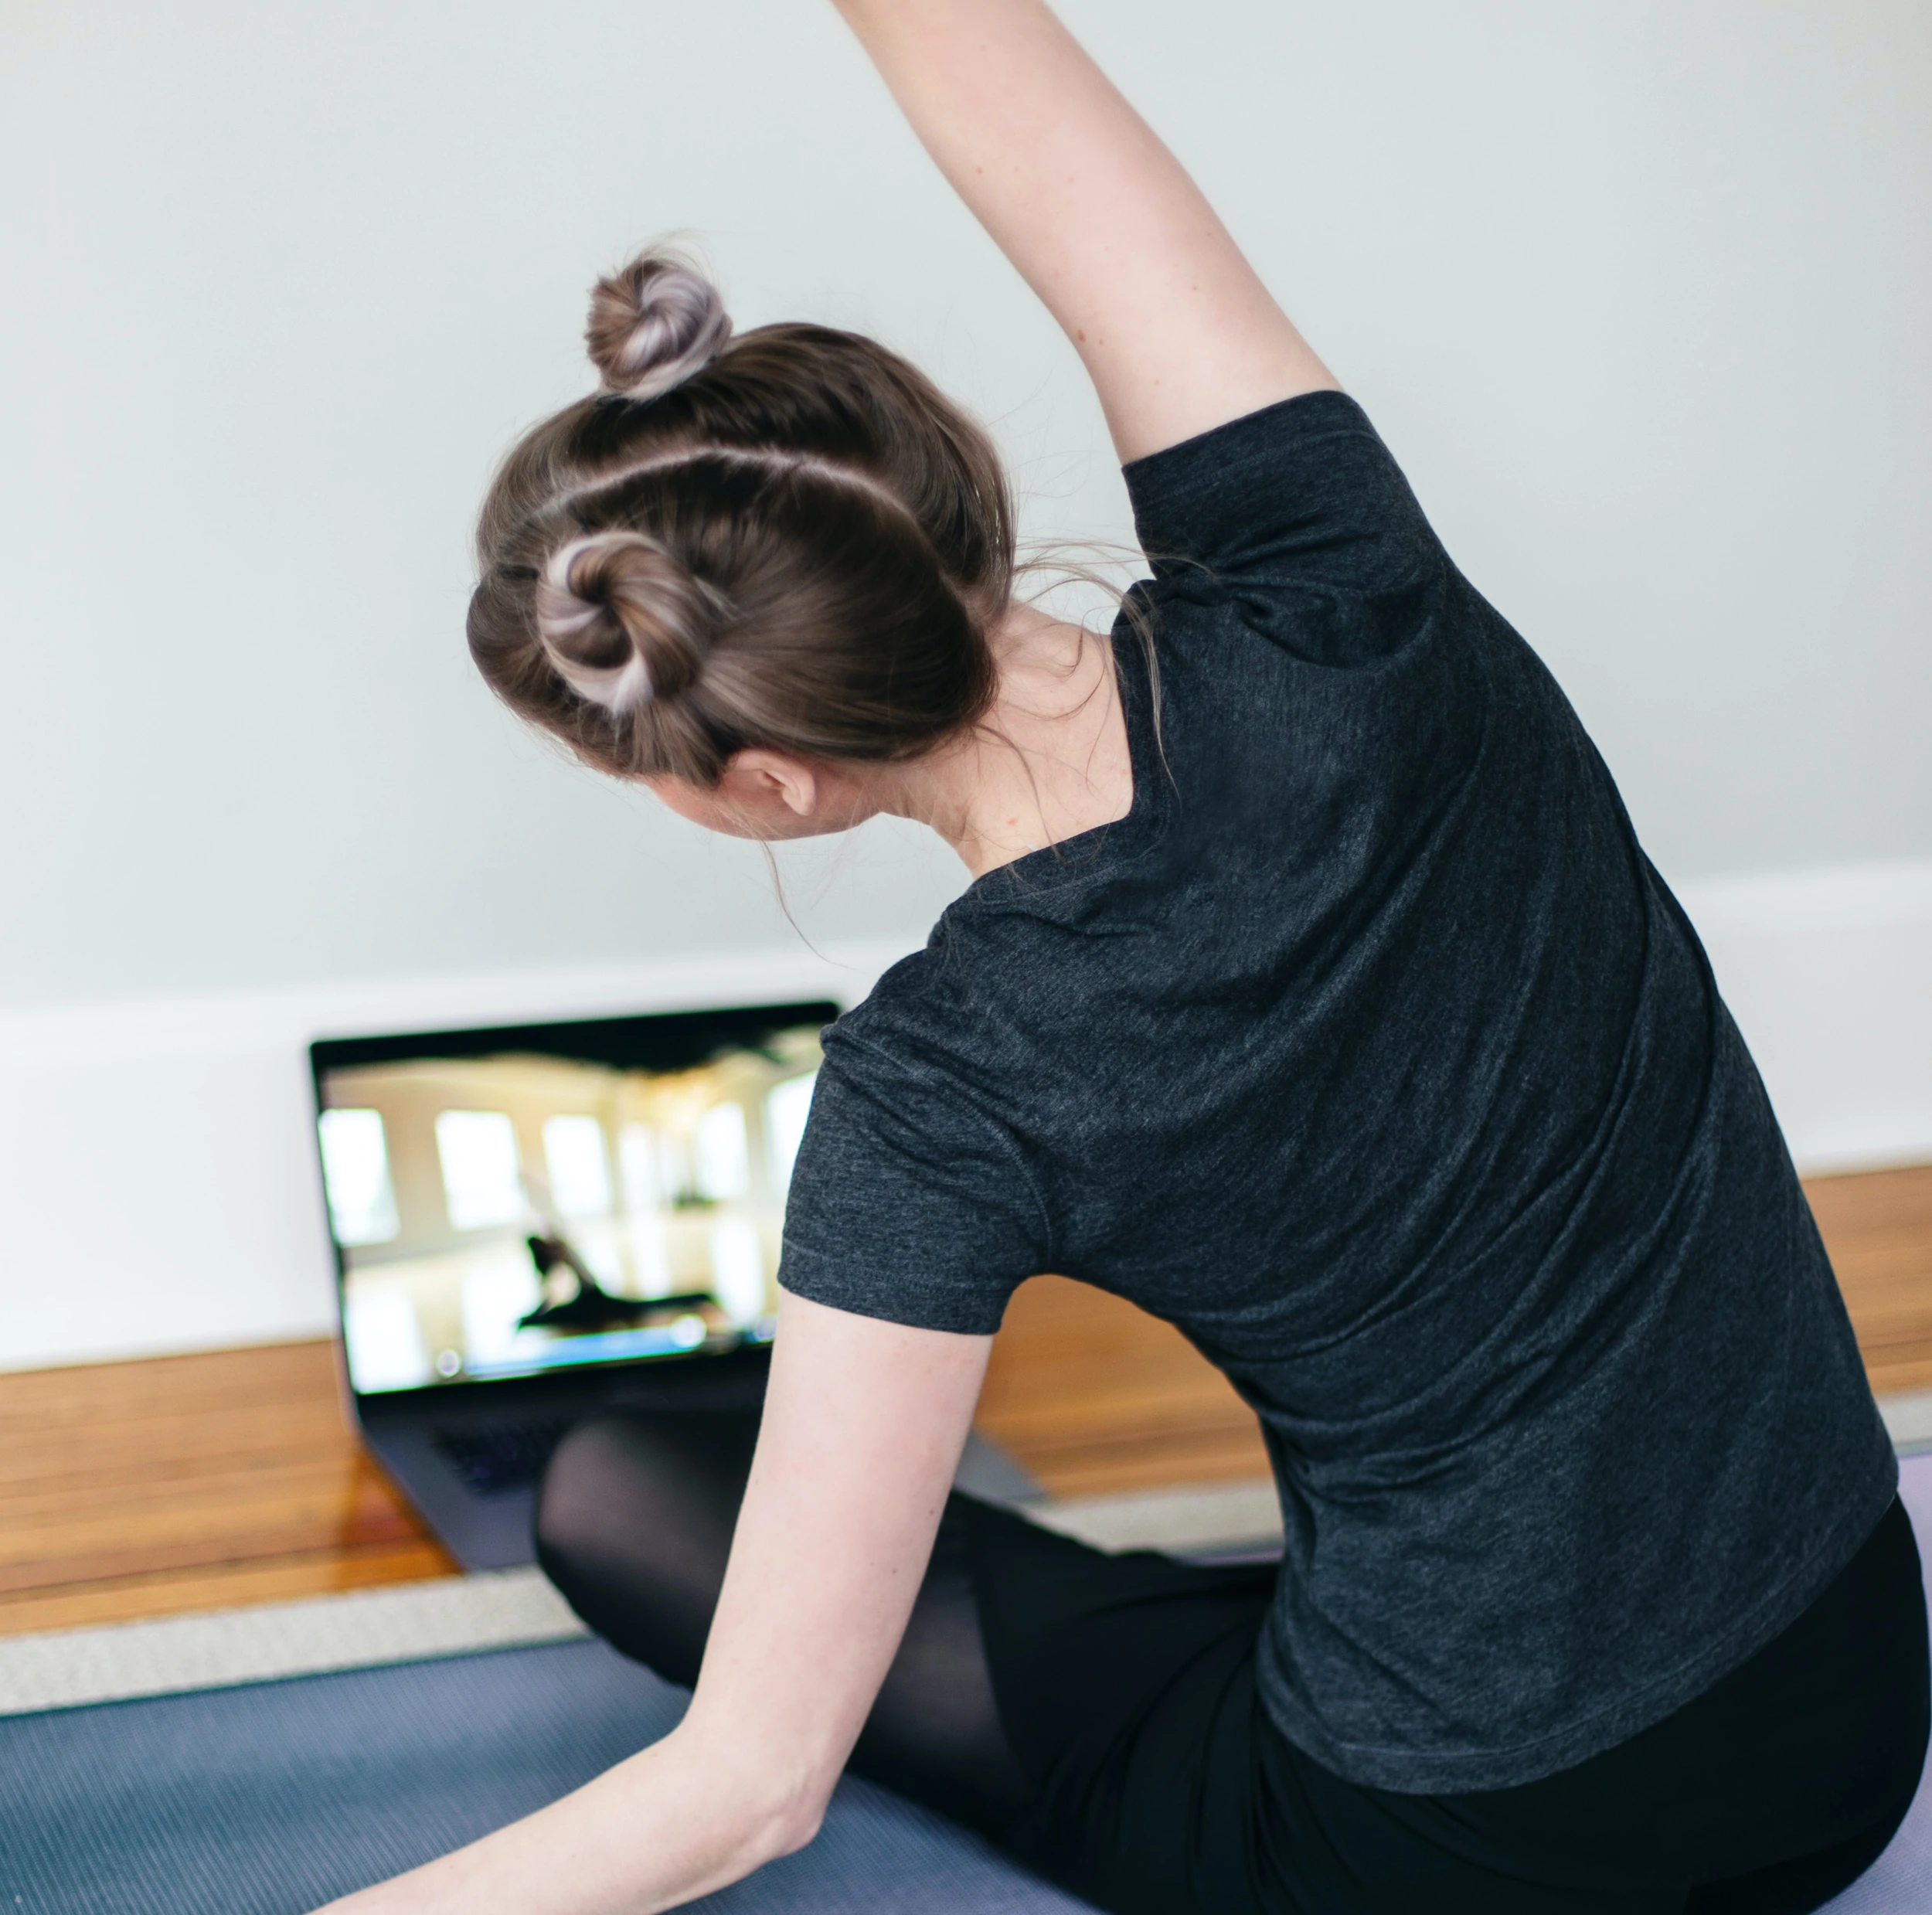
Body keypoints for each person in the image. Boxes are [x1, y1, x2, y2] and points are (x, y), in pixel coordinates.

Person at [321, 3, 1926, 1910]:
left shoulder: (943, 1094)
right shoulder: (1340, 580)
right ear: (941, 494)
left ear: (763, 784)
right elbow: (990, 71)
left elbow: (749, 1788)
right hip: (1847, 1699)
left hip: (1469, 1850)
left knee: (612, 1489)